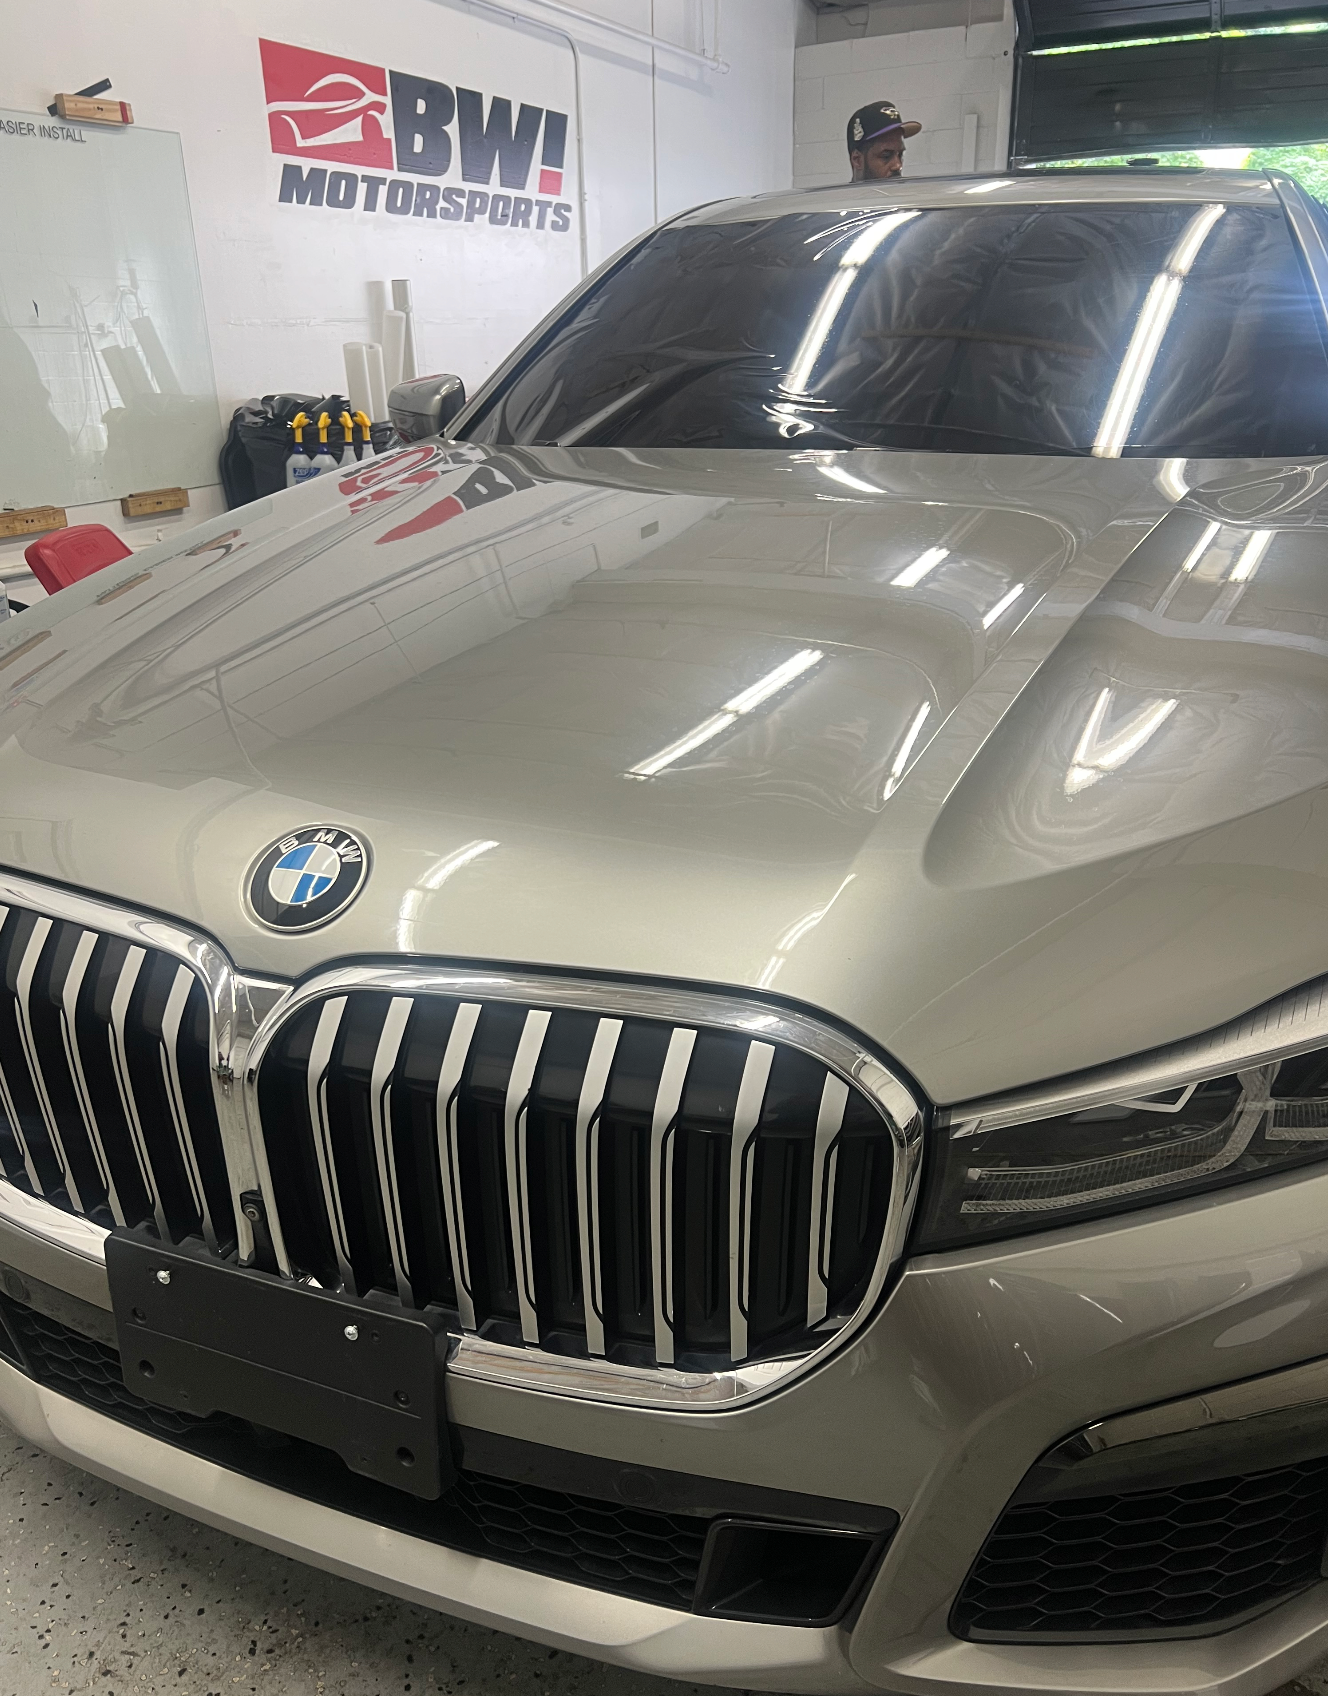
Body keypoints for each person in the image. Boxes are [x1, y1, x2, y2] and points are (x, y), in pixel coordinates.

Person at [847, 100, 921, 181]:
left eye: (900, 155)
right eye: (886, 156)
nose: (897, 165)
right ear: (857, 160)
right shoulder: (837, 193)